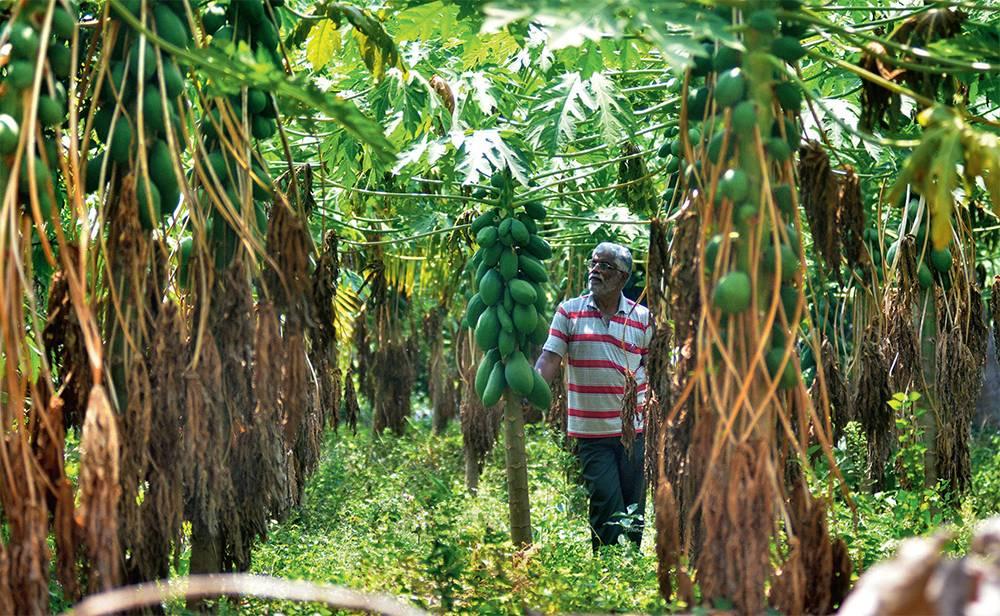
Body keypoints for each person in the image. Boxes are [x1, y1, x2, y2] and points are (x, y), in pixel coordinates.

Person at [533, 242, 653, 552]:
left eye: (605, 266)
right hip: (592, 434)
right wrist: (531, 390)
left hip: (635, 431)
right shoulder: (569, 312)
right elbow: (549, 358)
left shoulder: (642, 317)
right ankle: (607, 567)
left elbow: (654, 370)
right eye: (593, 263)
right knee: (605, 503)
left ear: (623, 277)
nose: (595, 270)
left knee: (633, 506)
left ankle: (630, 563)